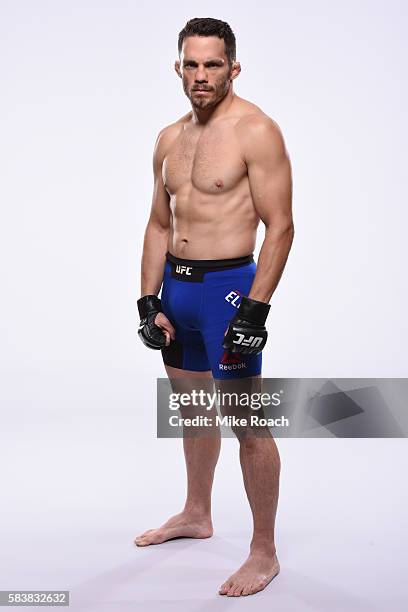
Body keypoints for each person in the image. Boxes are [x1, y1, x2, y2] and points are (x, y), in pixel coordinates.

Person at [135, 17, 294, 597]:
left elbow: (281, 227)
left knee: (249, 423)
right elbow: (158, 224)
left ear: (233, 67)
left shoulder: (257, 131)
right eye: (192, 64)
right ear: (179, 67)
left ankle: (263, 550)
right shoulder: (169, 139)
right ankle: (196, 514)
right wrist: (147, 297)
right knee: (195, 409)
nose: (202, 76)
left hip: (230, 292)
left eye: (213, 64)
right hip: (178, 290)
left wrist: (255, 312)